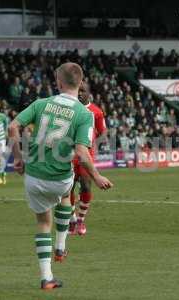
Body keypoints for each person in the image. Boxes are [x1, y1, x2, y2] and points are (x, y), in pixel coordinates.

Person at [8, 62, 113, 290]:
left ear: (58, 82)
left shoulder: (41, 103)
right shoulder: (83, 114)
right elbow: (82, 153)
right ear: (80, 83)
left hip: (33, 176)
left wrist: (18, 158)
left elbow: (13, 127)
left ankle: (47, 277)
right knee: (66, 193)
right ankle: (61, 245)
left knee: (43, 222)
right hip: (59, 178)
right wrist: (96, 177)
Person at [69, 82, 107, 236]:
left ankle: (80, 219)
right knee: (67, 188)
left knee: (85, 186)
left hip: (86, 156)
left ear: (89, 94)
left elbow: (103, 131)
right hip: (68, 155)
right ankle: (71, 219)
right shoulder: (69, 109)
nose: (79, 94)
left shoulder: (96, 112)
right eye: (78, 91)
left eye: (82, 91)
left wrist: (94, 142)